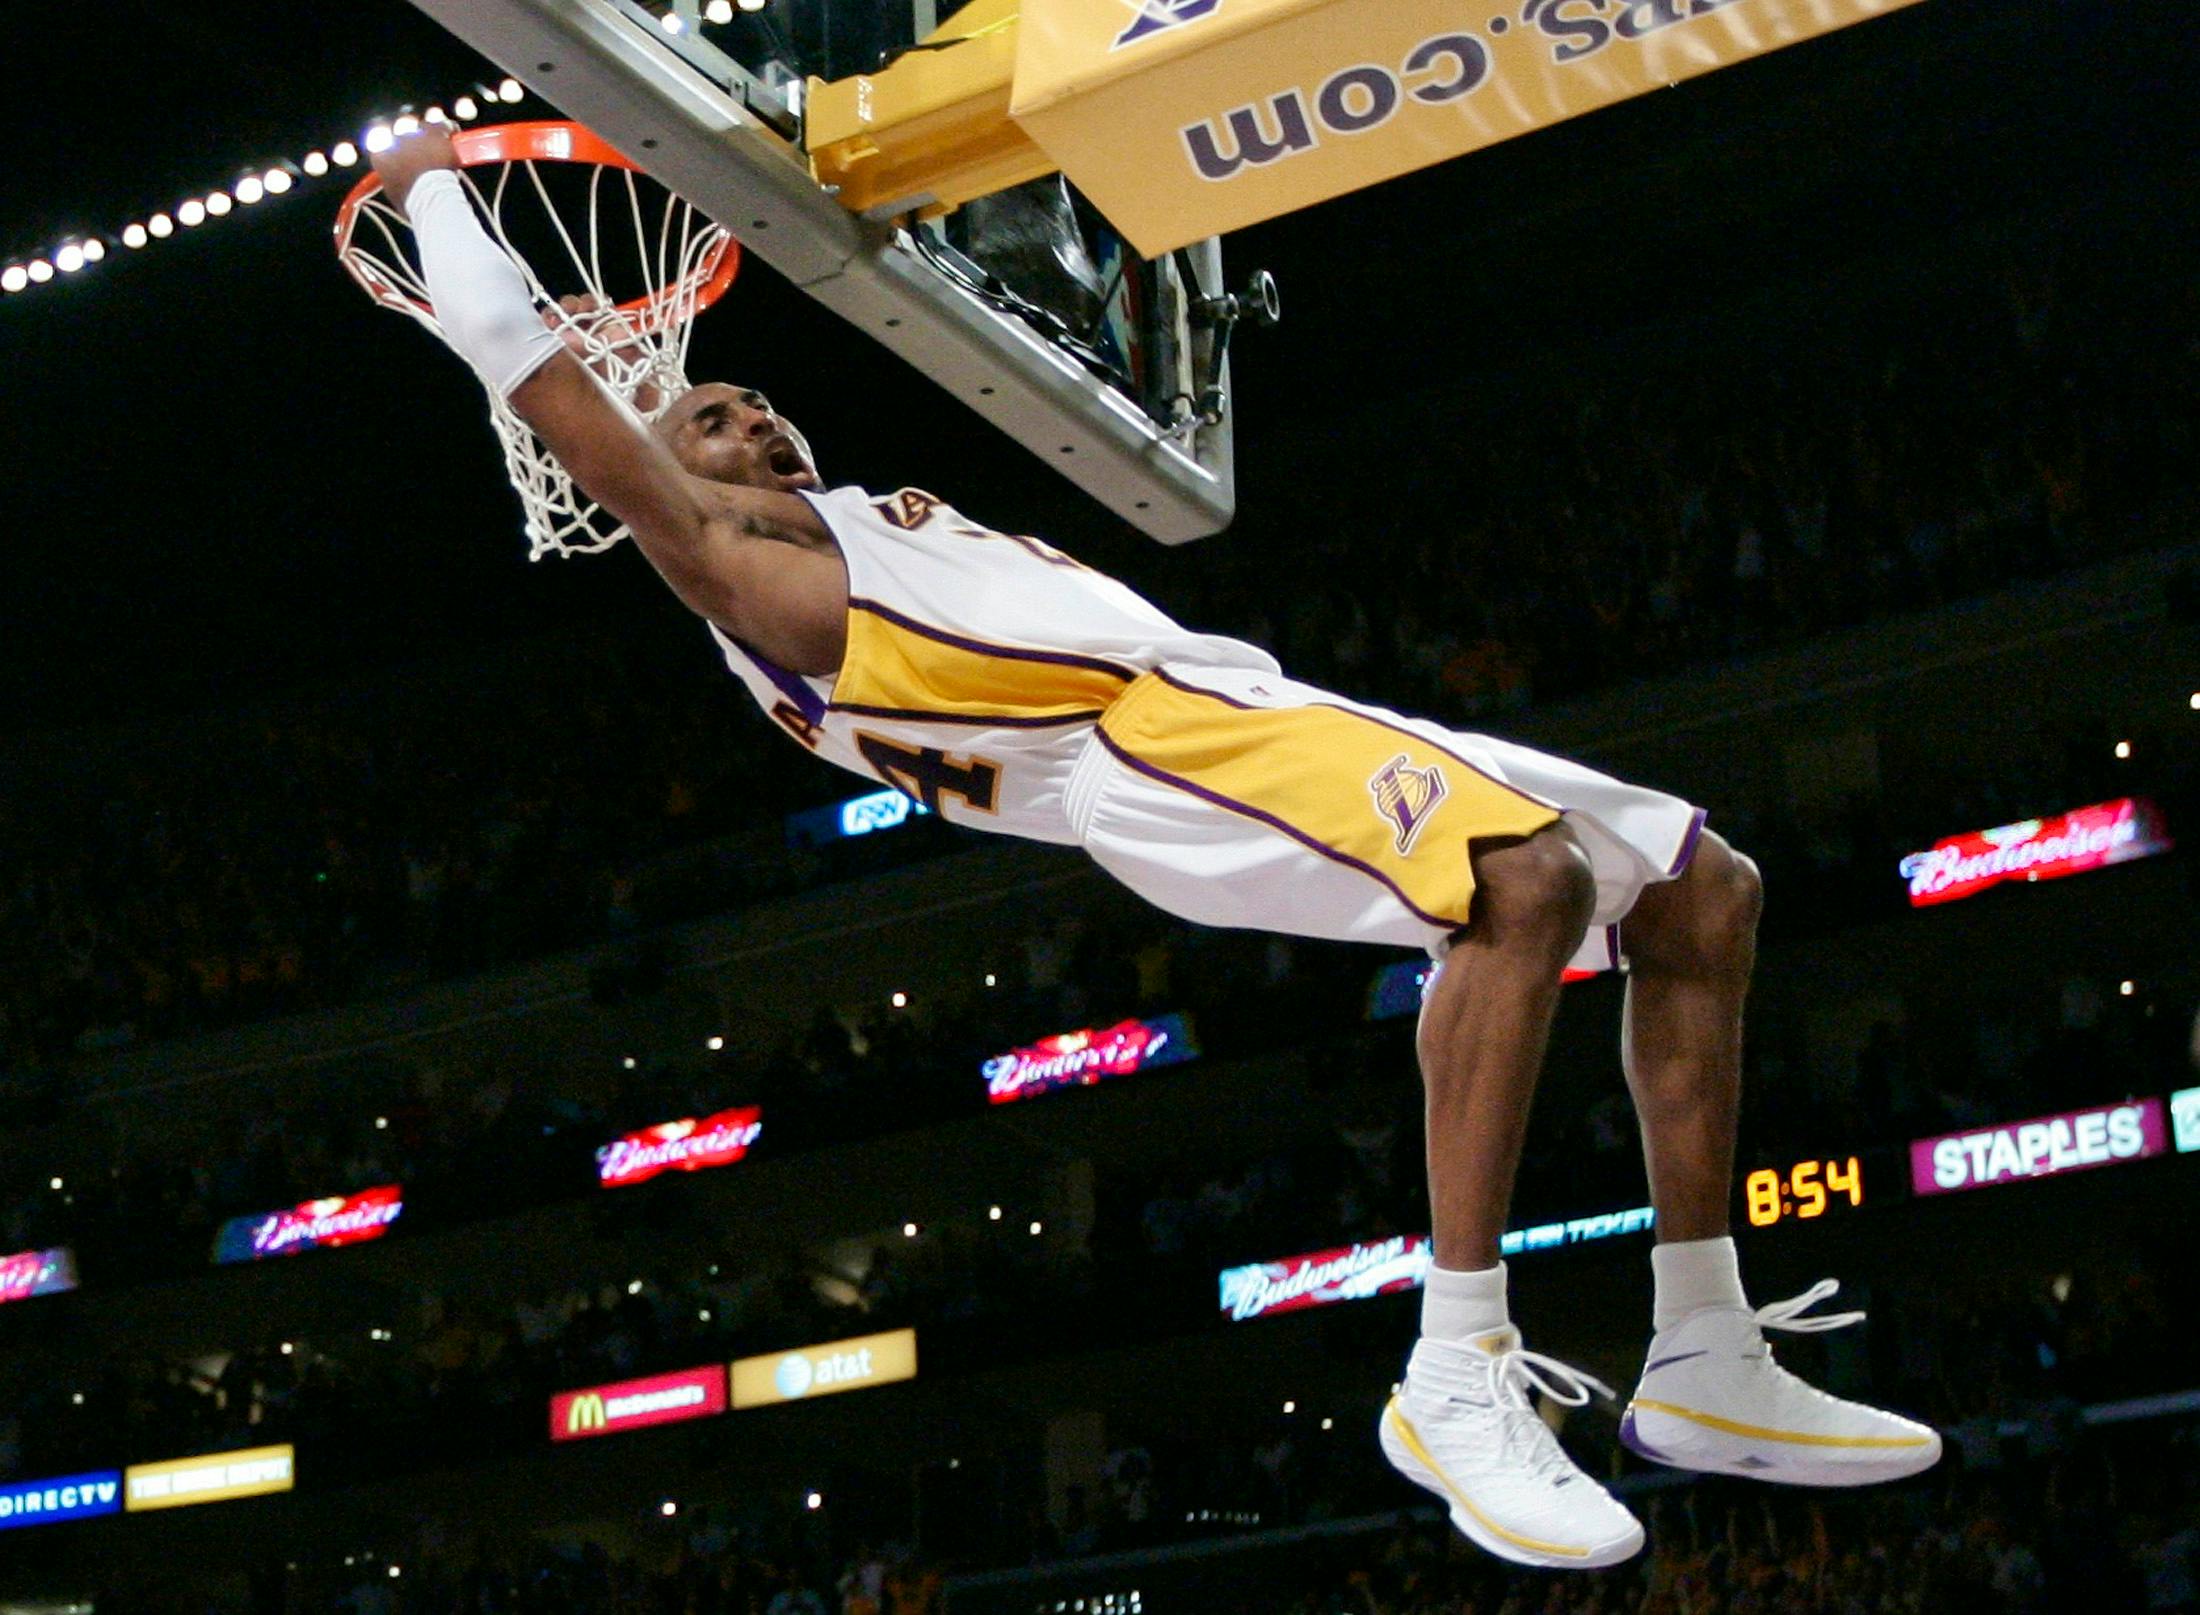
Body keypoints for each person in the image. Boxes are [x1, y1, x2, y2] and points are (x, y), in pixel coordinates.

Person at [369, 127, 1940, 1570]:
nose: (750, 412)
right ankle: (1453, 1371)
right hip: (1134, 750)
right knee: (1519, 882)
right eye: (707, 415)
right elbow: (531, 365)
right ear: (660, 481)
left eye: (757, 398)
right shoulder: (727, 566)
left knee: (1699, 892)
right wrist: (439, 180)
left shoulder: (861, 514)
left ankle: (1704, 1347)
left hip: (1225, 700)